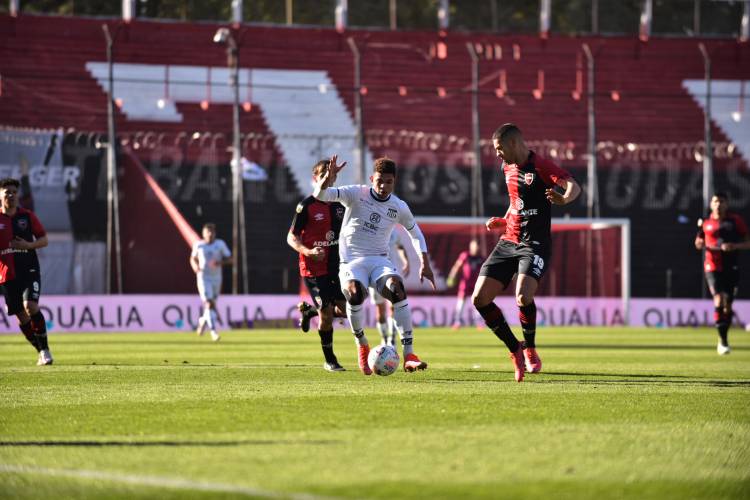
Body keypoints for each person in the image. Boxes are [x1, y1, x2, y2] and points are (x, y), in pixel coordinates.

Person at [472, 124, 580, 382]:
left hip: (535, 244)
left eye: (499, 149)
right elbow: (515, 201)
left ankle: (530, 348)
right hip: (508, 241)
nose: (497, 155)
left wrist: (564, 199)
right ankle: (515, 349)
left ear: (513, 144)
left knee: (522, 296)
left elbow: (574, 186)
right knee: (479, 299)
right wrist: (505, 220)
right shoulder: (506, 167)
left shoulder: (541, 166)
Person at [313, 155, 436, 375]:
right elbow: (321, 194)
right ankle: (362, 344)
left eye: (388, 182)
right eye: (379, 180)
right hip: (352, 261)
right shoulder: (356, 193)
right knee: (354, 293)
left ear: (394, 182)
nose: (383, 186)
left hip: (379, 260)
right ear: (372, 178)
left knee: (397, 288)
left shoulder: (398, 206)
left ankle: (409, 354)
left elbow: (416, 234)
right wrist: (327, 178)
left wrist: (425, 263)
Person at [287, 159, 348, 372]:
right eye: (323, 174)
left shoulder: (341, 204)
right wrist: (309, 251)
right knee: (328, 314)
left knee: (347, 311)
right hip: (314, 268)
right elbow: (291, 237)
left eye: (331, 174)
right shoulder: (306, 206)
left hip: (337, 266)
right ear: (316, 178)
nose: (328, 177)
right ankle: (330, 359)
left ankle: (310, 312)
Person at [0, 178, 51, 365]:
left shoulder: (27, 216)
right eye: (7, 192)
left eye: (14, 192)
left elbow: (44, 240)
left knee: (31, 306)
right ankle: (40, 350)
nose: (11, 195)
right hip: (6, 275)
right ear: (0, 195)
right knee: (22, 316)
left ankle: (45, 350)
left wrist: (28, 245)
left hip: (29, 269)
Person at [694, 192, 750, 355]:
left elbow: (748, 242)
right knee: (718, 299)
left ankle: (723, 338)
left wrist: (734, 246)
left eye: (721, 201)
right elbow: (699, 242)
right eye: (715, 201)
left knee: (728, 306)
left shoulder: (735, 221)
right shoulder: (706, 222)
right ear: (711, 204)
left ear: (727, 204)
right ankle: (723, 341)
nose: (718, 204)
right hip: (712, 266)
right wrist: (698, 243)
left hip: (731, 266)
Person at [190, 223, 232, 342]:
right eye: (207, 232)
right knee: (208, 303)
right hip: (203, 277)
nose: (209, 234)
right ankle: (213, 332)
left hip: (216, 278)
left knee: (212, 305)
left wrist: (219, 263)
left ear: (214, 233)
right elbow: (193, 258)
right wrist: (195, 266)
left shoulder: (220, 244)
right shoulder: (199, 245)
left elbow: (231, 259)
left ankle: (203, 320)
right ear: (203, 233)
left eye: (211, 232)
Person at [369, 226, 410, 347]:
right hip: (375, 274)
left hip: (392, 273)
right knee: (380, 311)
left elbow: (400, 246)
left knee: (394, 307)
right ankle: (384, 338)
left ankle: (391, 339)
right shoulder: (371, 230)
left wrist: (406, 261)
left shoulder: (393, 231)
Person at [446, 239, 484, 329]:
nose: (475, 248)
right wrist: (452, 276)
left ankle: (479, 323)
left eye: (477, 246)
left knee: (477, 303)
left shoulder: (481, 258)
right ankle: (457, 322)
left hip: (476, 284)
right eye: (474, 246)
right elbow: (457, 266)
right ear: (471, 246)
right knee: (461, 303)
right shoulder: (465, 255)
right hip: (465, 283)